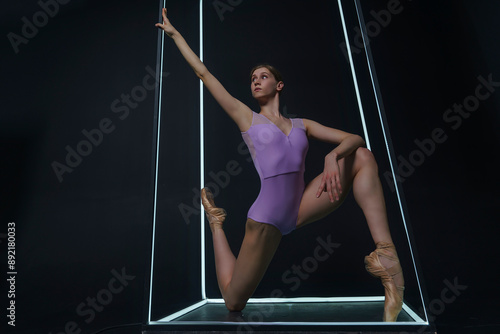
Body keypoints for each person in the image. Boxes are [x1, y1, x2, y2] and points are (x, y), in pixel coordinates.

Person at [156, 8, 404, 322]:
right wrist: (176, 35)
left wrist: (332, 156)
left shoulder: (303, 125)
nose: (255, 82)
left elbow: (354, 138)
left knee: (364, 157)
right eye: (252, 79)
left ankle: (387, 257)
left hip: (301, 206)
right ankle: (216, 223)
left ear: (279, 85)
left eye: (263, 77)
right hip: (267, 219)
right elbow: (204, 75)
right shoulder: (247, 118)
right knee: (234, 302)